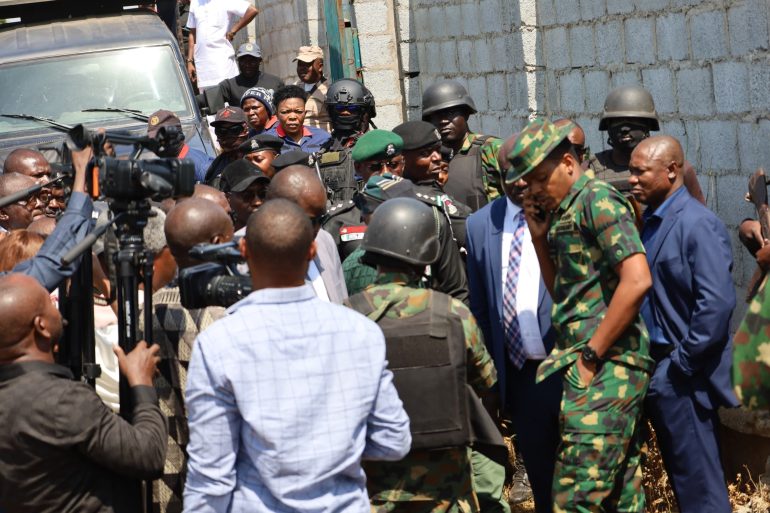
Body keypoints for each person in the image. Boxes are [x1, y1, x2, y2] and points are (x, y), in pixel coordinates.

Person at [183, 198, 411, 512]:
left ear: (244, 250)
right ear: (312, 251)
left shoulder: (219, 343)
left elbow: (211, 476)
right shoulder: (362, 333)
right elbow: (394, 440)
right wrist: (336, 450)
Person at [512, 118, 653, 513]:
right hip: (589, 362)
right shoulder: (563, 211)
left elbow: (638, 279)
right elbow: (564, 292)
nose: (536, 190)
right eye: (530, 183)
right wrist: (539, 238)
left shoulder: (598, 200)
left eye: (542, 179)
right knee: (621, 498)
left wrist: (591, 356)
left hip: (609, 366)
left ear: (568, 163)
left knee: (574, 497)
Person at [347, 197, 502, 513]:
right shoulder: (453, 314)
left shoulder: (346, 316)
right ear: (428, 253)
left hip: (373, 489)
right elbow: (486, 382)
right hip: (445, 490)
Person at [628, 135, 737, 513]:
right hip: (663, 373)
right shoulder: (653, 220)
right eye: (630, 171)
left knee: (701, 493)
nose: (631, 180)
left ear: (672, 171)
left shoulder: (697, 224)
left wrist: (680, 365)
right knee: (686, 485)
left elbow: (716, 305)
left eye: (640, 172)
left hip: (684, 378)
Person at [0, 273, 167, 513]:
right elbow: (149, 455)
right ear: (41, 326)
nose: (58, 308)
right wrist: (142, 383)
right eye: (49, 304)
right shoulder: (63, 400)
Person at [464, 133, 562, 513]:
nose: (519, 182)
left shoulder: (563, 212)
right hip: (520, 376)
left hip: (567, 365)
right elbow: (481, 306)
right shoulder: (479, 224)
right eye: (510, 173)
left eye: (526, 171)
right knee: (541, 475)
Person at [146, 198, 234, 513]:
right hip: (222, 481)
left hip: (167, 477)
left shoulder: (149, 309)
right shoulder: (227, 315)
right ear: (218, 242)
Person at [589, 85, 705, 207]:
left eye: (632, 121)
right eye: (617, 122)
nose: (624, 128)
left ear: (647, 125)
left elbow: (698, 213)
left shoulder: (675, 168)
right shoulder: (590, 168)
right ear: (607, 127)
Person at [0, 145, 95, 292]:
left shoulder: (49, 223)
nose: (46, 182)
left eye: (42, 197)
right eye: (30, 200)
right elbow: (49, 266)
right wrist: (82, 173)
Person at [267, 165, 348, 303]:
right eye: (310, 221)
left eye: (322, 219)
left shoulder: (325, 240)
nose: (317, 229)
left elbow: (342, 300)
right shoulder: (251, 255)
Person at [323, 129, 405, 261]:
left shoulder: (423, 209)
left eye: (393, 165)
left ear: (403, 164)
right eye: (375, 167)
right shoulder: (338, 219)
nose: (385, 173)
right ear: (358, 168)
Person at [422, 79, 503, 211]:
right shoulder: (431, 158)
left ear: (466, 114)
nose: (443, 121)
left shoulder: (490, 148)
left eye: (450, 113)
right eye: (436, 116)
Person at [392, 119, 473, 251]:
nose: (437, 158)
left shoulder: (435, 190)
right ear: (401, 160)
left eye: (437, 150)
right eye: (425, 153)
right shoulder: (409, 198)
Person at [185, 0, 259, 89]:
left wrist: (233, 31)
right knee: (207, 97)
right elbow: (192, 33)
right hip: (202, 68)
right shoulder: (195, 2)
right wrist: (189, 61)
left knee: (226, 95)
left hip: (223, 64)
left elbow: (252, 11)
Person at [197, 43, 283, 114]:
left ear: (259, 61)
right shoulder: (230, 85)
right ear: (238, 61)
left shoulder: (275, 83)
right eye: (243, 60)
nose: (247, 64)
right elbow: (202, 100)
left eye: (252, 61)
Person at [148, 109, 214, 183]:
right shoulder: (162, 161)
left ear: (179, 135)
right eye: (154, 138)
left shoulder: (202, 167)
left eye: (162, 137)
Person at [265, 85, 331, 153]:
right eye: (285, 112)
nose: (292, 117)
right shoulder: (266, 141)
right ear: (277, 115)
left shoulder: (323, 138)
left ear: (305, 113)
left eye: (298, 112)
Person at [220, 159, 270, 234]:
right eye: (247, 196)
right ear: (228, 198)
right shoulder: (224, 239)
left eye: (262, 194)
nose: (257, 202)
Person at [204, 106, 249, 185]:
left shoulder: (257, 160)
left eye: (234, 130)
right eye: (221, 131)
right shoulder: (215, 166)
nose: (228, 136)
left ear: (246, 130)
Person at [294, 45, 331, 132]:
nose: (302, 69)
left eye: (307, 65)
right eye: (300, 64)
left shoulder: (329, 90)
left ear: (320, 67)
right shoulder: (293, 88)